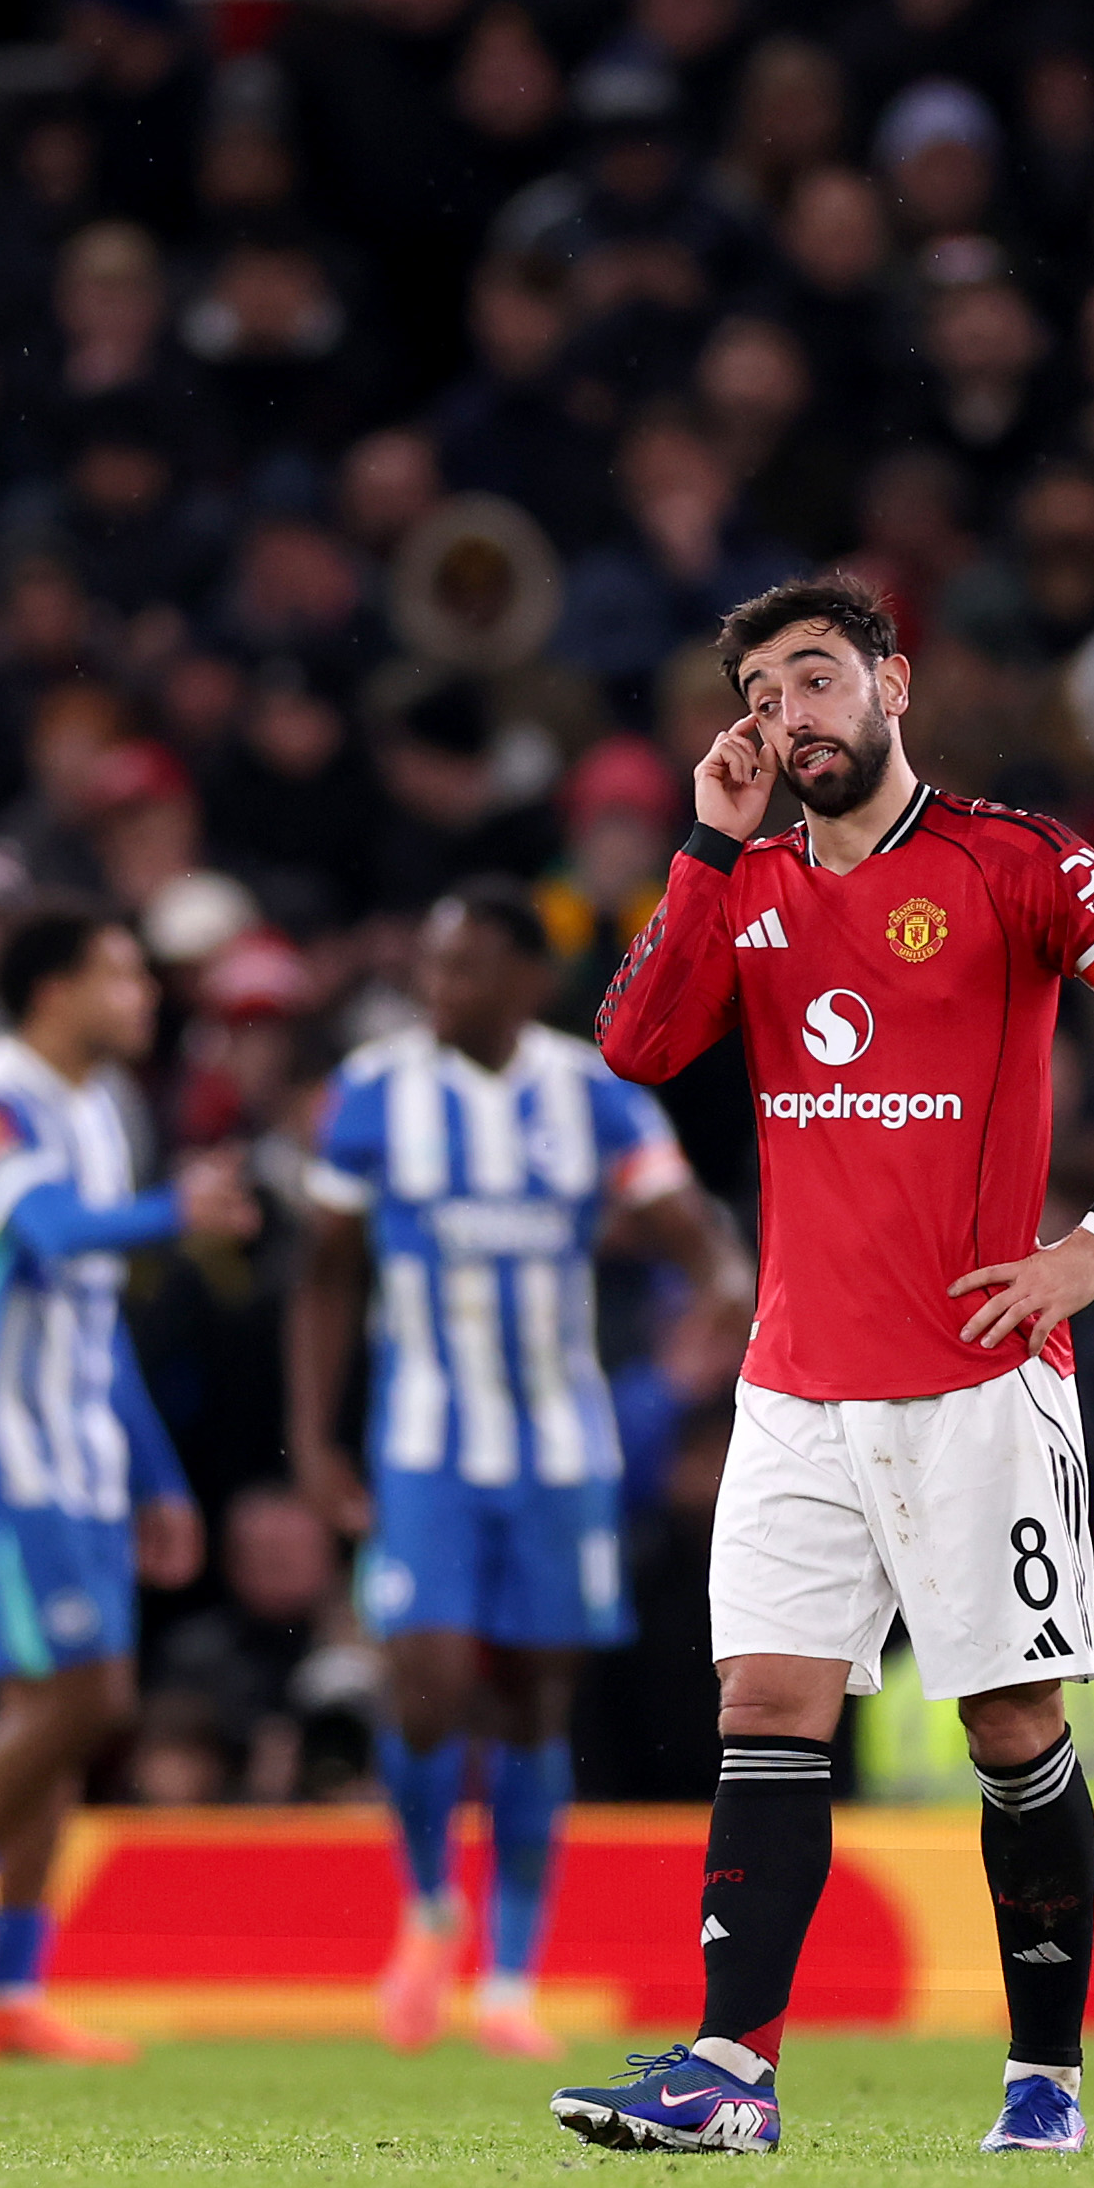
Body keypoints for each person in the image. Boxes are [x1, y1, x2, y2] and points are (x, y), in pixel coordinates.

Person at [553, 577, 1094, 2159]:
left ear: (894, 684)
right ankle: (732, 2068)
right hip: (795, 1379)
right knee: (766, 1701)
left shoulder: (1015, 862)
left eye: (817, 678)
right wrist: (706, 844)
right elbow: (639, 1048)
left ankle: (1045, 2074)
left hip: (976, 1378)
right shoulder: (746, 882)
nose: (790, 714)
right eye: (761, 693)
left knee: (1008, 1724)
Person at [287, 879, 749, 2060]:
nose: (442, 989)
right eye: (434, 966)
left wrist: (724, 1284)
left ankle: (509, 1980)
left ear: (524, 981)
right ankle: (430, 1907)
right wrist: (314, 1436)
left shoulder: (588, 1094)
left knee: (536, 1700)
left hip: (558, 1441)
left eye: (467, 967)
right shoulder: (377, 1093)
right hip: (427, 1440)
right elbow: (328, 1270)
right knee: (430, 1679)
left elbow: (679, 1216)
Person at [0, 903, 258, 2062]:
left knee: (67, 1716)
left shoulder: (99, 1108)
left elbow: (93, 1314)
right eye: (121, 975)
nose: (143, 996)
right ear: (54, 991)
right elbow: (45, 1234)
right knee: (72, 1705)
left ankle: (15, 1985)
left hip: (76, 1456)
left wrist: (158, 1474)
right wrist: (172, 1213)